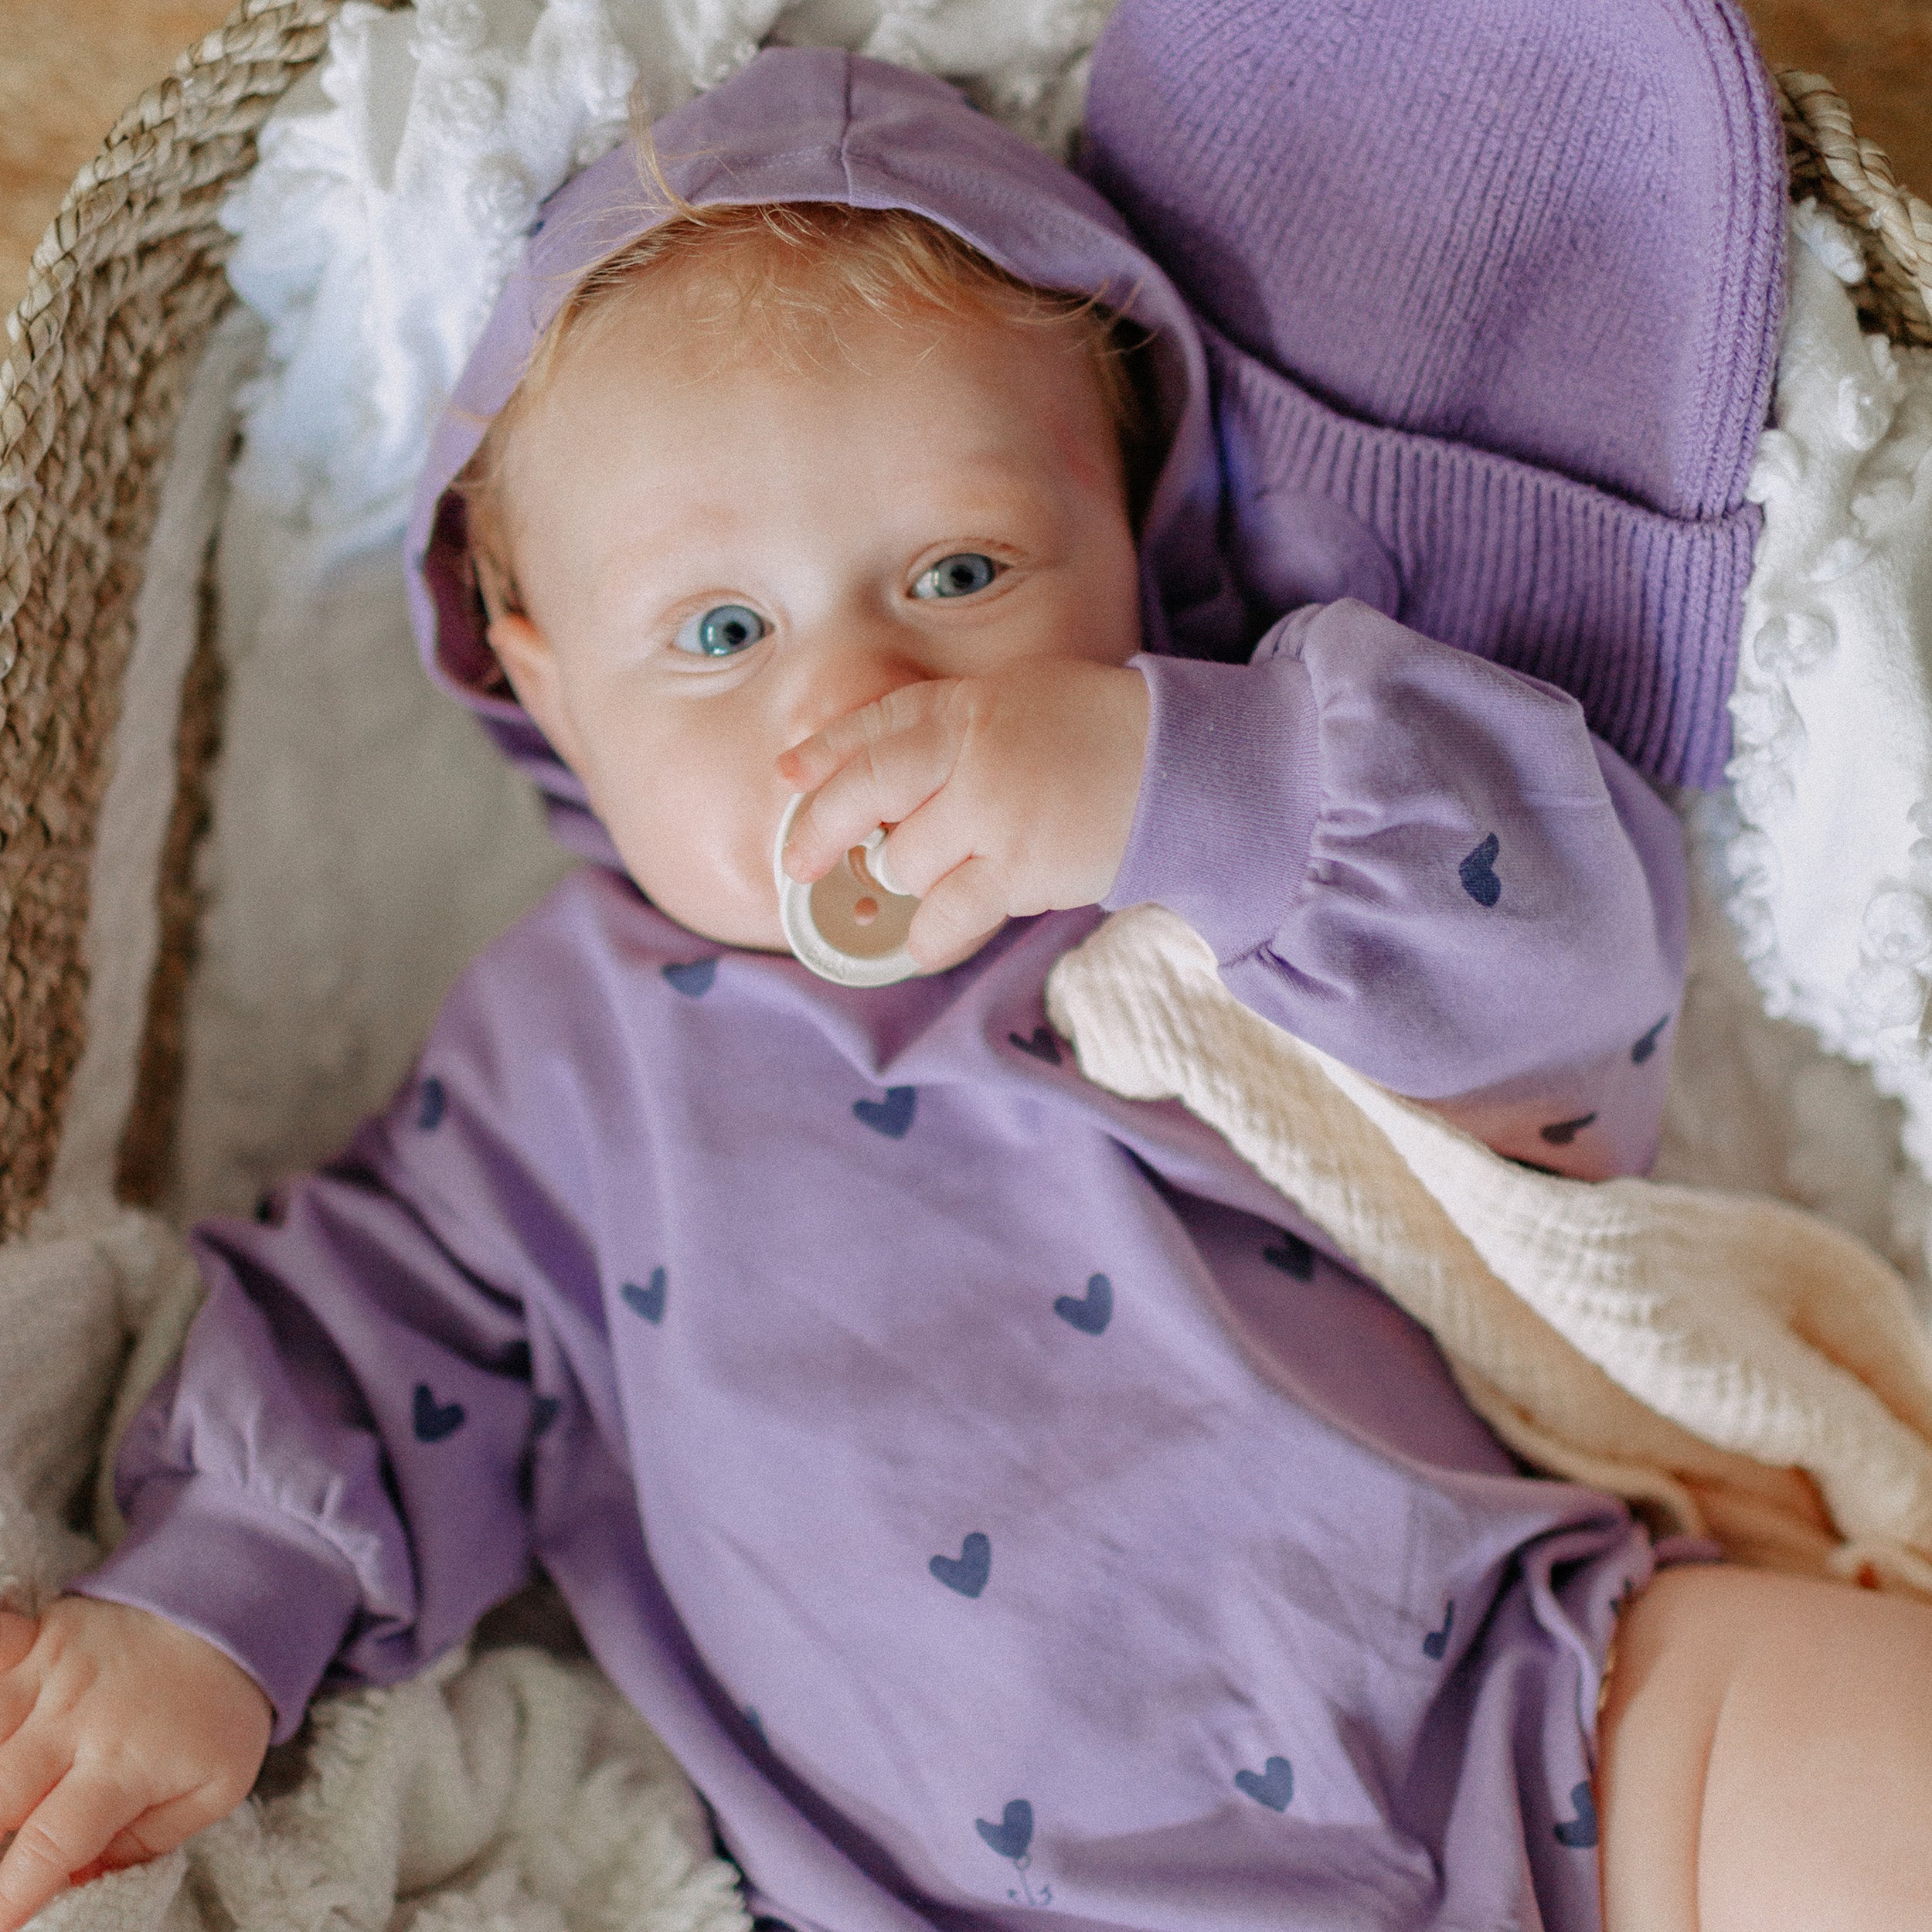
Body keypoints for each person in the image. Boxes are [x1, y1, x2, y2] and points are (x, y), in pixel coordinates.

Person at [4, 40, 1931, 1932]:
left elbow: (1569, 969)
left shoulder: (1228, 872)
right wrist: (209, 1606)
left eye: (958, 573)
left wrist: (1166, 781)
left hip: (1546, 1723)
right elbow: (369, 1343)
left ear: (1127, 544)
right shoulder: (561, 1060)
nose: (855, 696)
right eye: (724, 628)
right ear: (539, 672)